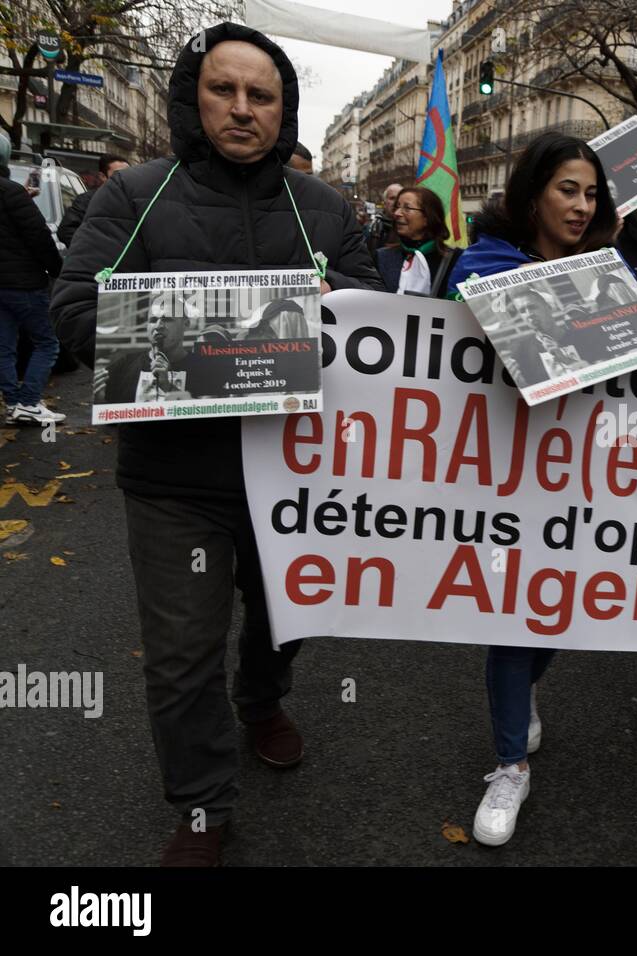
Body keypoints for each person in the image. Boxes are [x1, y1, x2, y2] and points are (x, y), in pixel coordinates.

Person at [49, 22, 383, 866]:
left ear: (284, 109)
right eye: (223, 90)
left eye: (261, 95)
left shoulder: (328, 209)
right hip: (175, 480)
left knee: (282, 617)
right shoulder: (135, 196)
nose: (242, 109)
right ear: (194, 98)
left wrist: (327, 291)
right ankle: (203, 807)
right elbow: (75, 310)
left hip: (296, 470)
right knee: (179, 655)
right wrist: (200, 328)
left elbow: (378, 319)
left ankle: (263, 699)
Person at [444, 131, 637, 847]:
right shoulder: (486, 260)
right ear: (533, 189)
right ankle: (510, 765)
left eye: (591, 193)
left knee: (557, 608)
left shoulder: (609, 267)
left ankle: (525, 690)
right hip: (505, 469)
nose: (580, 204)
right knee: (512, 614)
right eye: (567, 188)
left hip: (581, 470)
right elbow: (458, 320)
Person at [0, 130, 65, 425]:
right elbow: (39, 237)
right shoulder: (11, 192)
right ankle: (28, 402)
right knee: (47, 343)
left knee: (4, 346)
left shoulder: (13, 194)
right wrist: (57, 272)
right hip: (23, 283)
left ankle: (14, 403)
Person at [99, 294, 200, 403]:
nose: (158, 326)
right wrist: (99, 399)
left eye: (167, 319)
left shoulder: (203, 367)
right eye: (153, 320)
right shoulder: (124, 365)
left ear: (186, 324)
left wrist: (168, 387)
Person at [376, 186, 459, 298]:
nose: (397, 213)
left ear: (427, 217)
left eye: (407, 208)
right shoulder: (382, 257)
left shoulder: (456, 260)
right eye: (397, 207)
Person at [58, 153, 129, 247]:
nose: (125, 177)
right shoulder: (87, 201)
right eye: (118, 174)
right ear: (102, 176)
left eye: (129, 173)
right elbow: (67, 231)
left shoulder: (137, 199)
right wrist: (93, 251)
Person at [367, 182, 403, 257]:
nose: (396, 202)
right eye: (392, 198)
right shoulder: (373, 227)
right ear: (384, 203)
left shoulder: (412, 227)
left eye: (399, 198)